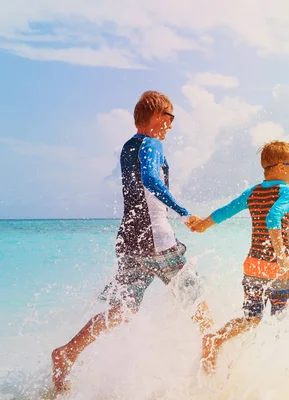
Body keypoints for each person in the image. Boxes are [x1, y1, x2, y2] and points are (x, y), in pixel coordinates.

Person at [51, 90, 213, 392]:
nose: (171, 125)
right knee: (196, 299)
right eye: (170, 117)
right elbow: (151, 180)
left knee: (121, 310)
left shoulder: (128, 146)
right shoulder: (153, 144)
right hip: (157, 240)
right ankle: (212, 363)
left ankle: (68, 352)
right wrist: (185, 214)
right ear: (156, 116)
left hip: (130, 240)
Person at [189, 140, 289, 374]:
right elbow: (273, 218)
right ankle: (286, 373)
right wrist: (282, 259)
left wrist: (203, 225)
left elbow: (225, 211)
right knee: (283, 321)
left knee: (251, 319)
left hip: (252, 267)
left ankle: (217, 340)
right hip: (275, 269)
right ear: (282, 167)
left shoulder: (253, 192)